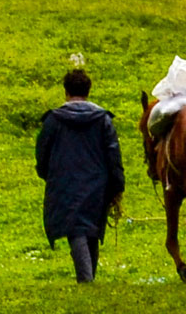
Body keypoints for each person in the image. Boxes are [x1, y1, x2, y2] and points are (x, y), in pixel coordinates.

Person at [36, 65, 126, 283]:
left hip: (64, 184)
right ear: (88, 91)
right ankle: (88, 279)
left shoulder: (53, 120)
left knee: (76, 230)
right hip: (97, 184)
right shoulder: (103, 120)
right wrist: (117, 185)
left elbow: (42, 155)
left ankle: (86, 281)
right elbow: (113, 154)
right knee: (91, 230)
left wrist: (50, 176)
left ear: (66, 92)